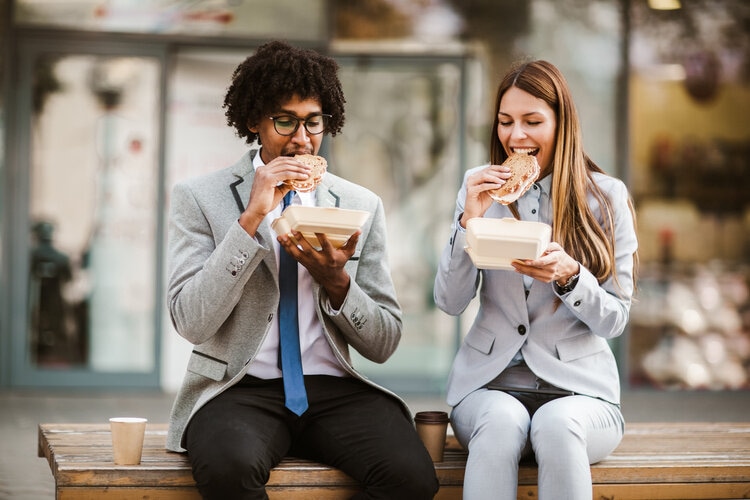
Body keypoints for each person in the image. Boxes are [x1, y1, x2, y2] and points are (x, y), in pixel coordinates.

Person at [165, 41, 439, 499]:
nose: (300, 139)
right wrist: (249, 220)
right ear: (254, 121)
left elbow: (384, 341)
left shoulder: (358, 204)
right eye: (284, 120)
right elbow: (191, 322)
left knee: (411, 477)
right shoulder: (199, 197)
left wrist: (337, 282)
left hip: (334, 389)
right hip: (238, 387)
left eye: (313, 122)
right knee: (229, 470)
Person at [433, 60, 638, 500]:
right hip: (489, 386)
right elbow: (450, 301)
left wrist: (570, 277)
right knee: (503, 423)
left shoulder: (606, 197)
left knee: (557, 423)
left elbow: (616, 318)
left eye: (532, 121)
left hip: (582, 394)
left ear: (562, 125)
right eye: (506, 122)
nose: (516, 137)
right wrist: (470, 219)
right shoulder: (478, 189)